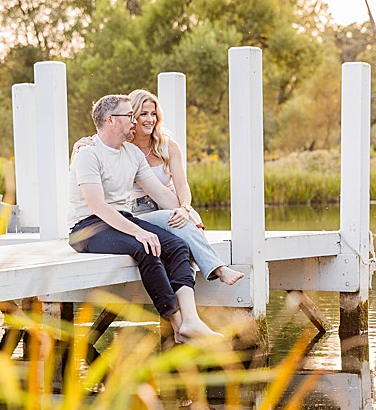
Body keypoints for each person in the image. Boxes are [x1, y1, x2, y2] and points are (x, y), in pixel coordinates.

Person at [67, 94, 226, 344]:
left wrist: (186, 211)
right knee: (146, 246)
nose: (134, 121)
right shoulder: (88, 153)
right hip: (87, 228)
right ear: (110, 120)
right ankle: (177, 322)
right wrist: (138, 232)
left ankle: (192, 320)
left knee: (176, 246)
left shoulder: (133, 154)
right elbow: (96, 205)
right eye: (129, 115)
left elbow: (162, 195)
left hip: (120, 219)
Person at [73, 89, 245, 286]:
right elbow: (99, 148)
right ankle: (209, 274)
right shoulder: (123, 146)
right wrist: (78, 146)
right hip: (138, 209)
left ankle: (190, 288)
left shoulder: (167, 146)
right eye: (141, 114)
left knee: (182, 226)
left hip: (169, 201)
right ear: (132, 118)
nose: (149, 119)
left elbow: (179, 185)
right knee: (177, 230)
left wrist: (185, 210)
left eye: (153, 114)